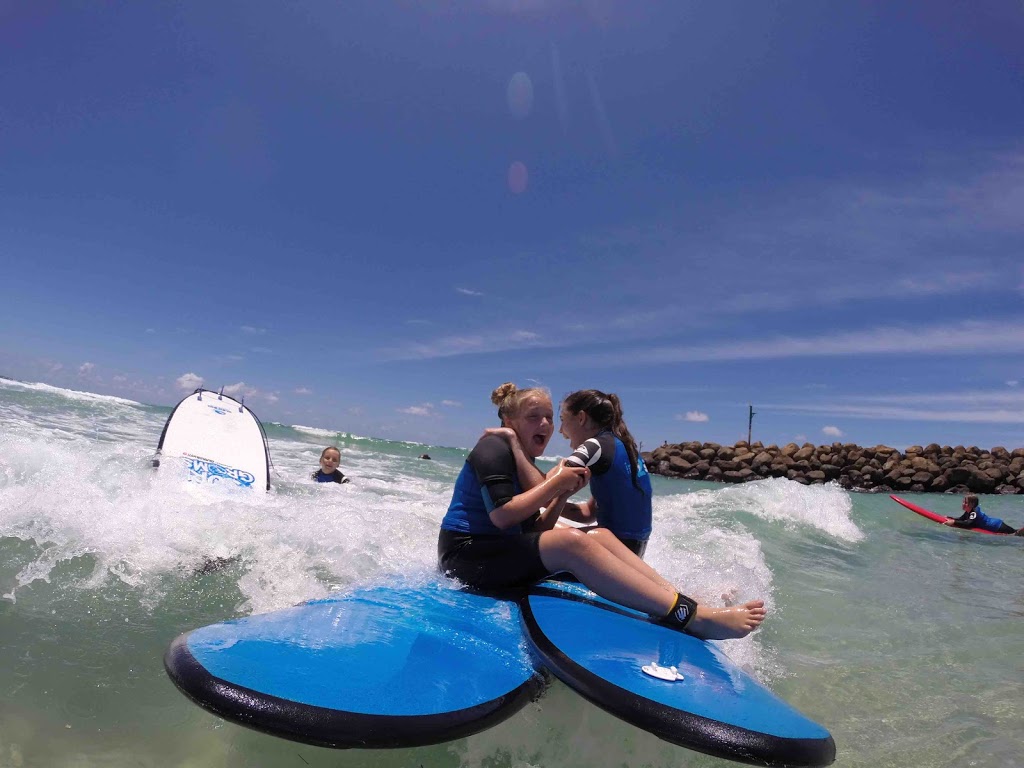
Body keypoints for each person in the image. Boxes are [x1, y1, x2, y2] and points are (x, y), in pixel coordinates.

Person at [437, 382, 766, 640]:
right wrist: (555, 484)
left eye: (551, 417)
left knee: (601, 535)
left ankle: (687, 603)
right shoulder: (492, 448)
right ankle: (690, 617)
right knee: (571, 544)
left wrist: (558, 492)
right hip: (466, 555)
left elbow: (532, 528)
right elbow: (503, 517)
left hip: (497, 550)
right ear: (509, 421)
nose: (548, 425)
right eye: (534, 417)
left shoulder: (523, 459)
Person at [556, 389, 652, 557]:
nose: (560, 431)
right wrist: (543, 504)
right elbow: (588, 513)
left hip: (613, 547)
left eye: (563, 420)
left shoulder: (595, 445)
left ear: (581, 418)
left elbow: (554, 479)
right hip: (634, 549)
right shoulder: (625, 448)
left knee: (537, 537)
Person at [943, 494, 1023, 535]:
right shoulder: (969, 511)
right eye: (963, 502)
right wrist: (951, 518)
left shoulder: (974, 512)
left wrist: (953, 522)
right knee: (1016, 533)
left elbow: (968, 523)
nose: (963, 504)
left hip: (997, 526)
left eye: (965, 502)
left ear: (972, 504)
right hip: (996, 524)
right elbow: (961, 519)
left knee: (1015, 534)